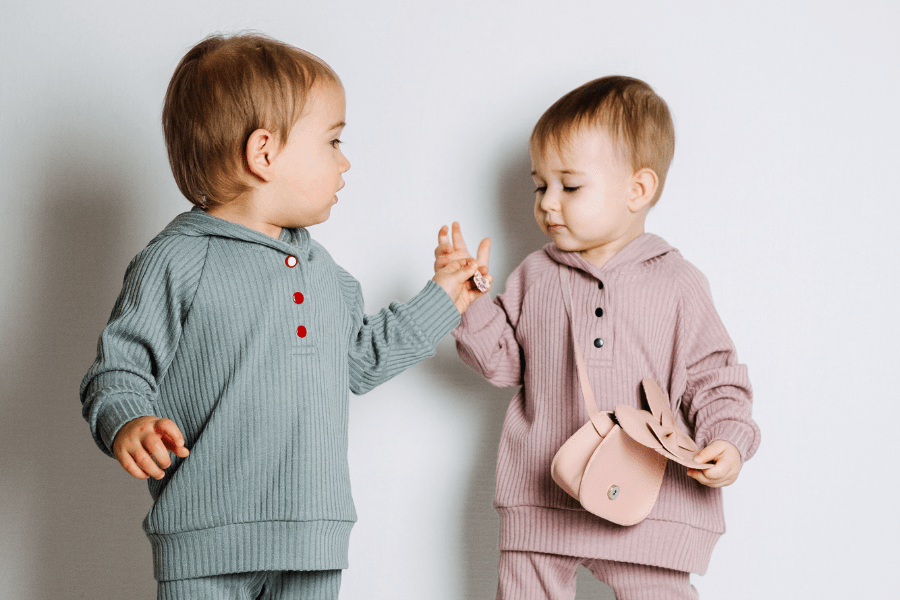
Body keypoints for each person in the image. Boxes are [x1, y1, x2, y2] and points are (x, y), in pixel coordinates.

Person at [80, 33, 487, 600]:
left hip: (313, 538)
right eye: (333, 141)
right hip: (204, 539)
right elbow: (117, 371)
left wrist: (444, 296)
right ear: (264, 153)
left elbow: (361, 360)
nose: (346, 161)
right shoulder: (176, 261)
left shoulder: (325, 273)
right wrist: (129, 421)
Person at [436, 76, 760, 600]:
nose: (548, 203)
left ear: (638, 189)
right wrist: (471, 306)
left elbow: (714, 378)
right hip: (541, 497)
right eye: (541, 186)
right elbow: (501, 366)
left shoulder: (677, 282)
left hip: (652, 500)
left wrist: (728, 440)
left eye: (570, 185)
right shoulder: (534, 275)